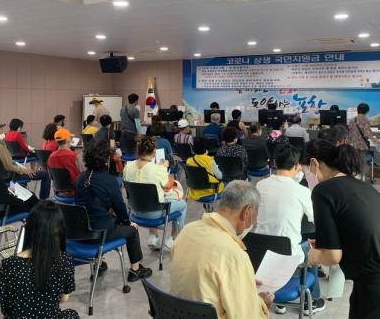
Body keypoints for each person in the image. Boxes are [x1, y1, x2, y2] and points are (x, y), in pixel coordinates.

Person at [302, 140, 380, 319]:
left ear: (314, 163)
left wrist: (316, 257)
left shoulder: (323, 190)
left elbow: (332, 257)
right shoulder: (362, 186)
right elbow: (367, 231)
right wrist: (328, 242)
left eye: (306, 171)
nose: (307, 177)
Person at [170, 181, 273, 319]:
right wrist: (261, 303)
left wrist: (243, 280)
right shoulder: (234, 256)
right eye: (256, 214)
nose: (254, 221)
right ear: (247, 211)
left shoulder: (187, 231)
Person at [255, 144, 324, 315]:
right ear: (297, 165)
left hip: (261, 254)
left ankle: (279, 301)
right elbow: (317, 220)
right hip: (289, 258)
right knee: (309, 247)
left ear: (275, 163)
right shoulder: (302, 191)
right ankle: (313, 300)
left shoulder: (260, 186)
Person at [74, 139, 152, 282]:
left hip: (81, 232)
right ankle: (135, 270)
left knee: (98, 217)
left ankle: (100, 264)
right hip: (102, 233)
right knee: (132, 231)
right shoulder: (110, 180)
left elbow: (79, 205)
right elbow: (120, 207)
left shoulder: (80, 178)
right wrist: (127, 223)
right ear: (106, 159)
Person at [0, 201, 79, 319]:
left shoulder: (9, 264)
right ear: (59, 230)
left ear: (29, 228)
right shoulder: (65, 260)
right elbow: (63, 299)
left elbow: (5, 309)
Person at [123, 136, 187, 249]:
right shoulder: (158, 169)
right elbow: (168, 185)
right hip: (154, 213)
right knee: (182, 204)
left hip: (135, 211)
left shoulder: (128, 166)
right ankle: (174, 236)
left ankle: (153, 235)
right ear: (154, 151)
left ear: (138, 150)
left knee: (148, 197)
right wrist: (164, 168)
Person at [0, 123, 51, 200]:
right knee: (46, 174)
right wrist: (23, 170)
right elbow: (9, 166)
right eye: (1, 129)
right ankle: (43, 200)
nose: (3, 131)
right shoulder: (0, 147)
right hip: (9, 176)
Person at [347, 103, 380, 173]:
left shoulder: (352, 120)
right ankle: (361, 178)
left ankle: (353, 177)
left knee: (353, 164)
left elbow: (349, 132)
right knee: (361, 165)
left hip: (351, 146)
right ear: (366, 112)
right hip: (361, 146)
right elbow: (367, 134)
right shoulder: (366, 120)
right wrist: (375, 140)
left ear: (357, 110)